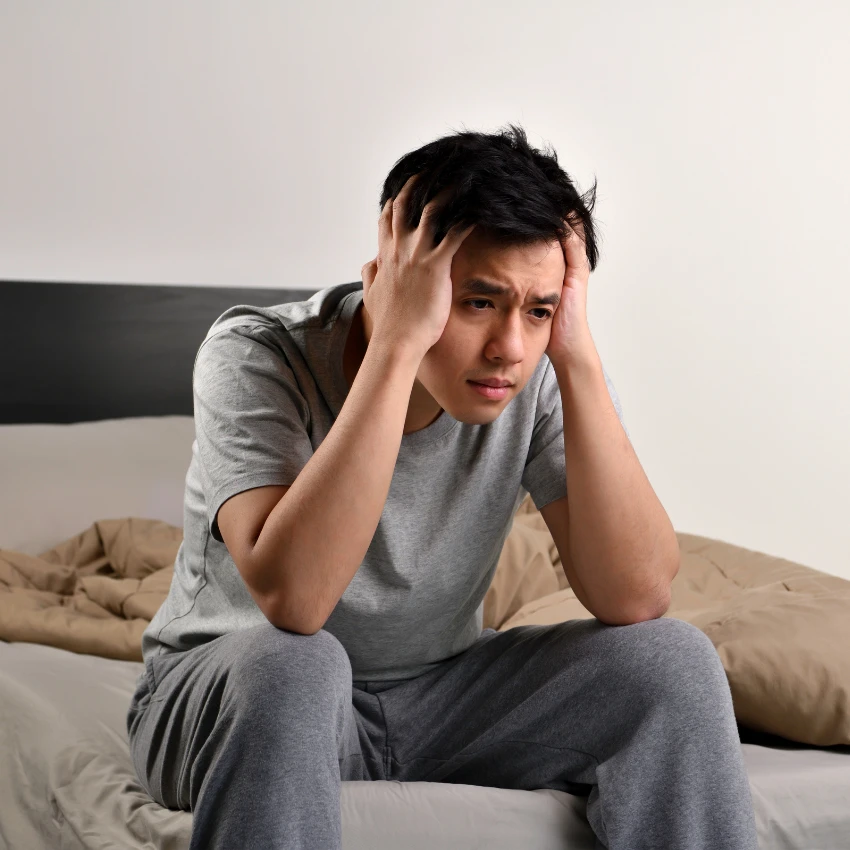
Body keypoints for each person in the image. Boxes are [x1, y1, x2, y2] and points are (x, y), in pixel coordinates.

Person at [126, 123, 760, 849]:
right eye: (479, 302)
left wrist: (576, 353)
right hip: (238, 691)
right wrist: (395, 345)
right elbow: (295, 603)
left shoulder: (538, 368)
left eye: (540, 309)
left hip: (441, 697)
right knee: (299, 665)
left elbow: (637, 593)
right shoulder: (256, 355)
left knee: (672, 661)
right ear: (400, 273)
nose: (510, 349)